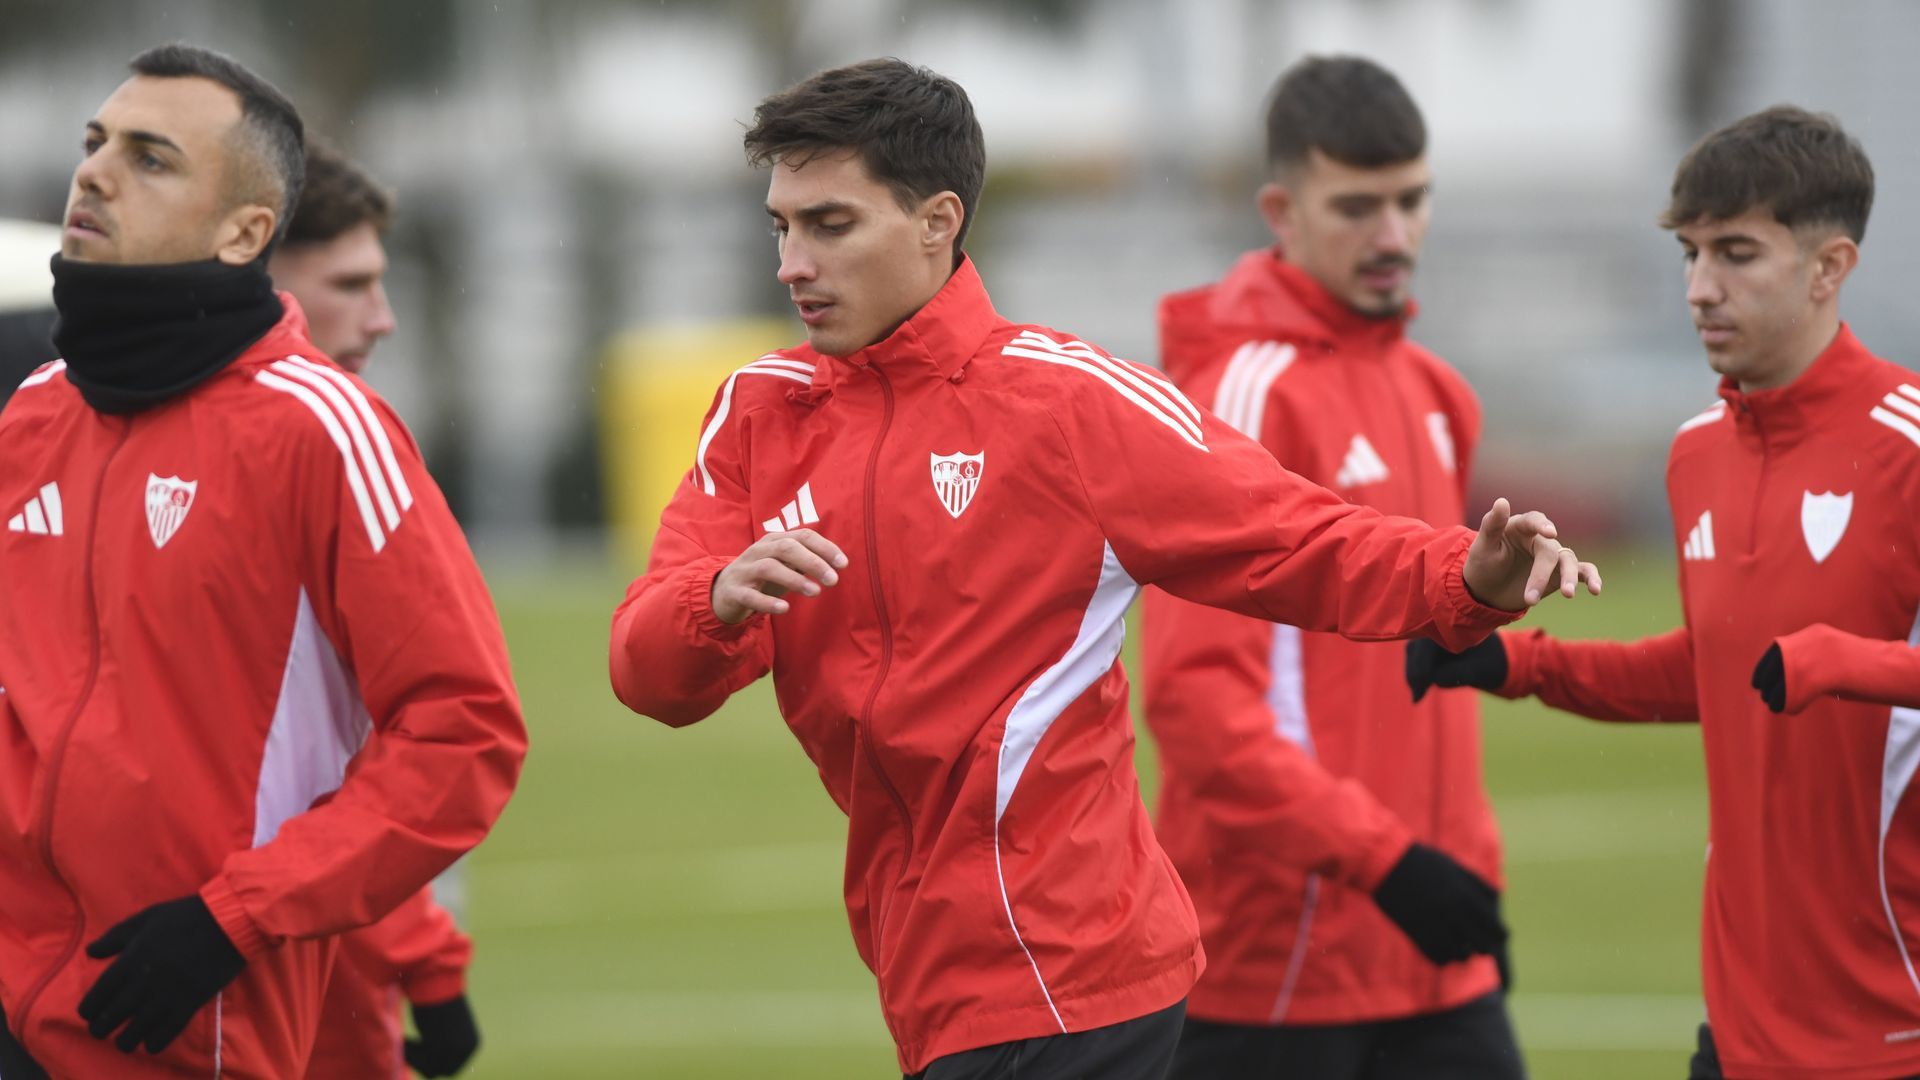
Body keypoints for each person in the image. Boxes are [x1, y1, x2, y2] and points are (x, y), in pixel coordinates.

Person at [609, 57, 1597, 1080]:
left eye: (830, 224)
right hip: (932, 973)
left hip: (1076, 969)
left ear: (939, 222)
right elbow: (646, 676)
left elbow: (1292, 535)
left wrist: (1465, 579)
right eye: (782, 226)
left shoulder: (1066, 403)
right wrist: (711, 603)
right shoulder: (758, 417)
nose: (791, 262)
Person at [0, 44, 525, 1078]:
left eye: (151, 158)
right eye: (96, 143)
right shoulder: (31, 416)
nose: (96, 172)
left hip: (183, 1022)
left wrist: (230, 919)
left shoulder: (324, 430)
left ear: (244, 231)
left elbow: (463, 734)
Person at [1408, 105, 1920, 1078]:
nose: (1698, 289)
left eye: (1735, 254)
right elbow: (1716, 670)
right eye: (1690, 255)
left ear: (1829, 268)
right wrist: (1512, 660)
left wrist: (1833, 661)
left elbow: (1795, 668)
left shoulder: (1909, 447)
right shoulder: (1695, 456)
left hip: (1892, 1027)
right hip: (1737, 1027)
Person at [1141, 55, 1523, 1080]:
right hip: (1281, 966)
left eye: (1411, 200)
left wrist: (1458, 881)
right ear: (1281, 209)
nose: (1393, 235)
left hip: (1436, 950)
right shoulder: (1247, 394)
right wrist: (1387, 865)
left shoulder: (1437, 390)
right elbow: (1196, 702)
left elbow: (1429, 675)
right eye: (1357, 205)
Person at [270, 138, 481, 1080]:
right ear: (255, 264)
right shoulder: (310, 458)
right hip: (287, 952)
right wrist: (424, 958)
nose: (383, 317)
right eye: (351, 283)